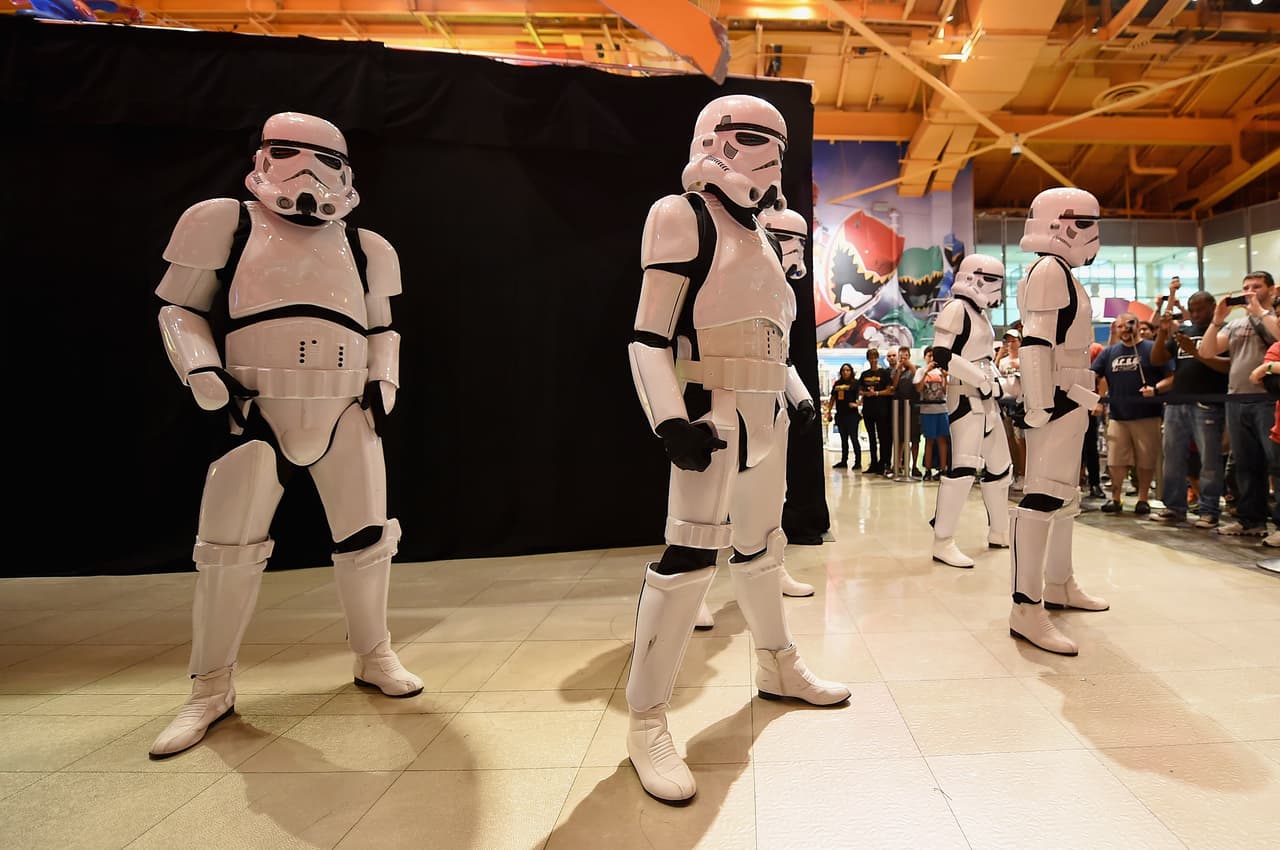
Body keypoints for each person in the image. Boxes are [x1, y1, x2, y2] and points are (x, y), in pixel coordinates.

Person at [149, 113, 422, 758]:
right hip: (256, 408)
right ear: (262, 158)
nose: (309, 174)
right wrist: (202, 370)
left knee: (367, 540)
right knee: (227, 551)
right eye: (289, 153)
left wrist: (384, 380)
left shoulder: (368, 247)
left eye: (327, 161)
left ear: (348, 173)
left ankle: (373, 653)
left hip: (345, 407)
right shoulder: (225, 222)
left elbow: (382, 327)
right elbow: (179, 308)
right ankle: (209, 687)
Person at [625, 93, 848, 803]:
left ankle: (777, 663)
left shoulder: (764, 237)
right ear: (712, 141)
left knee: (763, 548)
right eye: (751, 138)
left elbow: (769, 336)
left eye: (776, 144)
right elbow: (648, 337)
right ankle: (646, 720)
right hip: (709, 411)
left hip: (764, 412)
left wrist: (798, 396)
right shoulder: (681, 216)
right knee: (689, 558)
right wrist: (669, 420)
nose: (768, 156)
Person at [1008, 187, 1110, 657]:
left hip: (1069, 395)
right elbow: (1035, 342)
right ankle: (1026, 607)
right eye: (1085, 223)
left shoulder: (1059, 271)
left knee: (1065, 497)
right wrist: (1039, 404)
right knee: (1043, 496)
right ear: (1061, 224)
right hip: (1058, 397)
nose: (1092, 234)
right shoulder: (1049, 270)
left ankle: (1058, 583)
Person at [928, 254, 1013, 568]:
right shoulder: (956, 309)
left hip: (986, 397)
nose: (995, 288)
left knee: (1001, 468)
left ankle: (1000, 531)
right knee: (964, 467)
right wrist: (980, 380)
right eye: (990, 280)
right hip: (965, 395)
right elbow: (942, 354)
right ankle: (943, 541)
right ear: (972, 277)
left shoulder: (979, 314)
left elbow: (984, 358)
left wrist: (998, 383)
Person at [1198, 270, 1280, 538]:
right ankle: (1251, 521)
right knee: (1245, 463)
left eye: (1257, 286)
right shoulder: (1235, 325)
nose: (1250, 291)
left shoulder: (1274, 318)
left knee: (1276, 464)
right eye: (1246, 287)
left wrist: (1261, 313)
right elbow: (1206, 351)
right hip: (1236, 399)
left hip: (1267, 401)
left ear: (1271, 290)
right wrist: (1216, 320)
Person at [1150, 290, 1229, 527]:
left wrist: (1196, 352)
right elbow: (1157, 359)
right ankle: (1174, 507)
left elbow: (1227, 367)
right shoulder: (1185, 332)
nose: (1195, 314)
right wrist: (1162, 332)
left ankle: (1209, 510)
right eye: (1192, 310)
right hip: (1177, 402)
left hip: (1208, 403)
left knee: (1209, 460)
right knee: (1173, 458)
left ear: (1213, 307)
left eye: (1200, 309)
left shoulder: (1223, 331)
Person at [1091, 312, 1173, 514]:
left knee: (1146, 458)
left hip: (1147, 414)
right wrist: (1098, 399)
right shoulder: (1109, 352)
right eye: (1120, 326)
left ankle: (1143, 498)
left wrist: (1155, 390)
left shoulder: (1152, 349)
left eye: (1129, 325)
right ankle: (1115, 498)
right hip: (1118, 415)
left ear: (1137, 325)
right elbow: (1096, 375)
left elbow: (1171, 376)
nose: (1125, 329)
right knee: (1116, 460)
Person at [1248, 339, 1280, 548]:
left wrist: (1267, 367)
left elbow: (1264, 372)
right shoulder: (1277, 347)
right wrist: (1268, 368)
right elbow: (1268, 383)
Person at [996, 329, 1026, 491]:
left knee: (1020, 439)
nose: (1011, 344)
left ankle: (1023, 473)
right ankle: (1014, 471)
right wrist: (999, 356)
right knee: (1009, 439)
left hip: (1020, 404)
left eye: (1014, 341)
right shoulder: (1003, 362)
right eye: (1008, 341)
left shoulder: (1024, 360)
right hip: (1005, 404)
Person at [914, 347, 949, 480]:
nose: (932, 358)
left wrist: (945, 377)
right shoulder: (920, 371)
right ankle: (927, 470)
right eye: (929, 356)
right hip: (927, 410)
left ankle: (943, 469)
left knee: (942, 440)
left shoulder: (942, 371)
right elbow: (918, 388)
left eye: (934, 356)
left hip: (942, 409)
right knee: (929, 440)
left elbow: (946, 391)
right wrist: (926, 372)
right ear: (925, 357)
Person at [859, 348, 893, 474]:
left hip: (881, 409)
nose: (873, 360)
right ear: (868, 359)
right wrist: (865, 393)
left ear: (878, 358)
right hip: (868, 410)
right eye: (870, 357)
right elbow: (860, 390)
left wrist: (877, 393)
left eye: (875, 357)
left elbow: (889, 390)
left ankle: (883, 463)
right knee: (871, 438)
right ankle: (873, 463)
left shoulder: (884, 373)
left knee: (883, 437)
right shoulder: (864, 374)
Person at [890, 345, 922, 478]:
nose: (903, 359)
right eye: (901, 356)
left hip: (914, 407)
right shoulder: (895, 371)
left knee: (915, 439)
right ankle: (897, 465)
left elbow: (919, 382)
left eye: (906, 356)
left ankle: (915, 466)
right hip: (900, 408)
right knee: (900, 438)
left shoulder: (917, 368)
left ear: (909, 356)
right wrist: (898, 370)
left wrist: (911, 366)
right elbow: (894, 386)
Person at [825, 363, 862, 469]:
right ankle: (843, 461)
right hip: (840, 415)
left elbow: (863, 394)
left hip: (852, 415)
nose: (845, 372)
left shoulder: (855, 383)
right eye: (843, 370)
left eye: (848, 370)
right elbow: (832, 398)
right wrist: (829, 411)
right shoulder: (837, 383)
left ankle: (858, 462)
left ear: (851, 371)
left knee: (854, 438)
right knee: (843, 439)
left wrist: (857, 404)